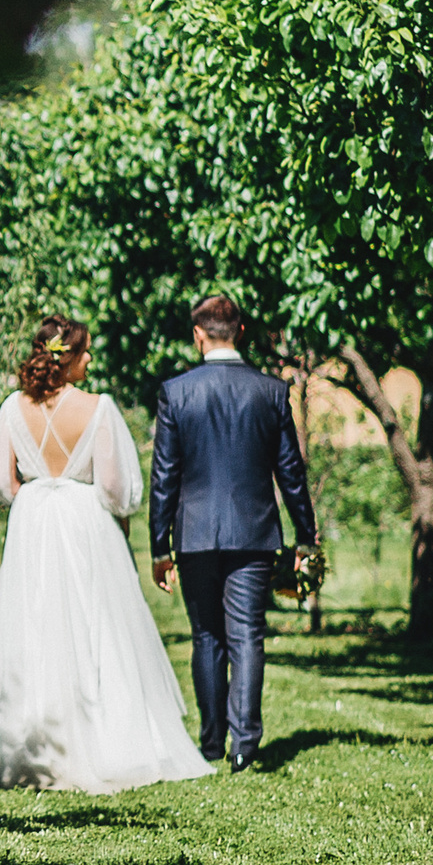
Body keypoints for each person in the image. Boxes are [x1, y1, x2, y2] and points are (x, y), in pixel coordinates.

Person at [0, 315, 213, 793]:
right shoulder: (99, 408)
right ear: (68, 357)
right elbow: (117, 489)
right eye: (87, 352)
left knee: (32, 625)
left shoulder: (12, 409)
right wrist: (96, 504)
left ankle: (28, 746)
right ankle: (108, 743)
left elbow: (1, 482)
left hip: (33, 521)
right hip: (85, 522)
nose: (91, 360)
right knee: (99, 626)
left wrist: (34, 499)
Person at [148, 295, 318, 774]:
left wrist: (159, 546)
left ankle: (210, 744)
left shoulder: (176, 392)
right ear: (240, 332)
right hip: (254, 532)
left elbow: (165, 477)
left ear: (198, 334)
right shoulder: (270, 391)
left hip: (195, 533)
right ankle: (245, 747)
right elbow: (291, 471)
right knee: (247, 635)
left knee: (206, 637)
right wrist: (306, 536)